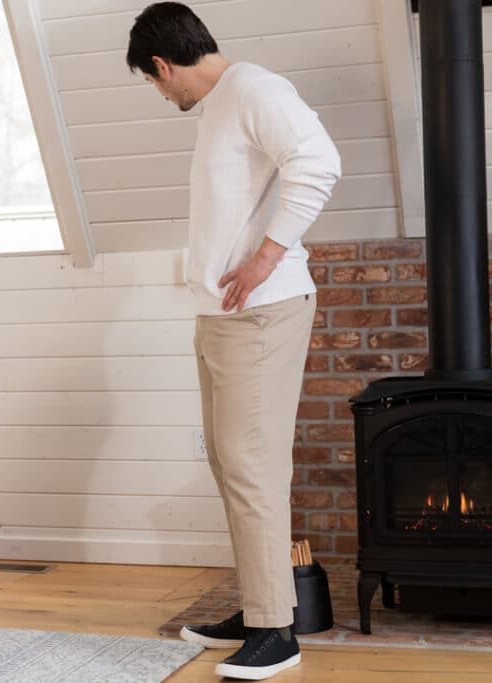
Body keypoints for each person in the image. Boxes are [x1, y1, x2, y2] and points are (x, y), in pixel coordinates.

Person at [127, 3, 341, 679]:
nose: (165, 96)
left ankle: (278, 631)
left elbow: (320, 161)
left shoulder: (255, 89)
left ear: (165, 64)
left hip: (263, 311)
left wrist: (267, 256)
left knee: (250, 465)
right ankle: (258, 607)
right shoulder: (224, 103)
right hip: (222, 315)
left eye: (158, 83)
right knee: (228, 461)